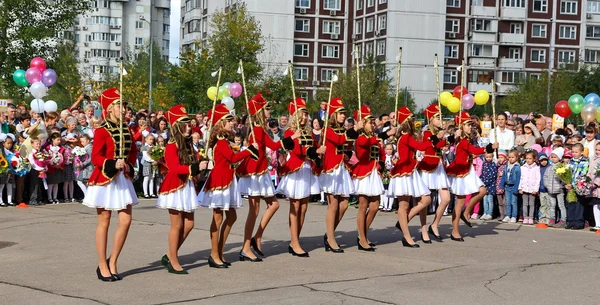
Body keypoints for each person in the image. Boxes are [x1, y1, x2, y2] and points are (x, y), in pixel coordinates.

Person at [82, 88, 139, 282]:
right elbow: (95, 156)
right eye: (119, 106)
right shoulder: (101, 130)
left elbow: (133, 152)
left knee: (126, 221)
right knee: (104, 222)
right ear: (110, 108)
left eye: (124, 106)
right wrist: (112, 163)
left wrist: (129, 164)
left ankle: (113, 260)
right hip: (105, 178)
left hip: (122, 178)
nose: (123, 110)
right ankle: (102, 263)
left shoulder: (128, 129)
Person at [237, 94, 298, 261]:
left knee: (273, 204)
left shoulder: (258, 128)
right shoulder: (256, 129)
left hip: (261, 170)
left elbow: (272, 145)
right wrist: (292, 137)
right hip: (255, 171)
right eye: (265, 109)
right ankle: (246, 247)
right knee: (254, 210)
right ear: (258, 111)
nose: (268, 111)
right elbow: (273, 145)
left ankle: (257, 237)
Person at [198, 104, 258, 268]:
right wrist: (249, 150)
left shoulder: (226, 141)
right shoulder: (221, 141)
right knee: (217, 218)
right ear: (220, 123)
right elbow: (232, 158)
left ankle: (219, 250)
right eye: (229, 120)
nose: (232, 123)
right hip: (219, 181)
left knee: (231, 217)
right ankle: (214, 254)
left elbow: (232, 160)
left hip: (228, 180)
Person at [156, 104, 208, 274]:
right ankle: (173, 259)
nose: (189, 126)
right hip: (175, 186)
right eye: (185, 123)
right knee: (177, 225)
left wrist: (201, 165)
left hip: (186, 185)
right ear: (177, 126)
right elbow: (175, 168)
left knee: (190, 224)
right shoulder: (171, 145)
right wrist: (194, 168)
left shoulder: (187, 144)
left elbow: (189, 164)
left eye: (189, 123)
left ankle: (170, 253)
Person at [276, 98, 324, 257]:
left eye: (306, 115)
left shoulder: (309, 131)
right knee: (295, 206)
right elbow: (297, 150)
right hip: (295, 170)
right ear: (295, 116)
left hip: (307, 169)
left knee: (304, 207)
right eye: (301, 115)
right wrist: (315, 152)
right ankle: (294, 241)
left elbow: (315, 148)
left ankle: (295, 239)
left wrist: (320, 150)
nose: (304, 118)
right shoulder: (290, 132)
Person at [446, 112, 496, 241]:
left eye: (471, 125)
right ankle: (455, 231)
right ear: (462, 127)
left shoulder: (467, 139)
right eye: (468, 125)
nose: (470, 127)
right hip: (461, 172)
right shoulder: (462, 140)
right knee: (459, 202)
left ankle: (466, 212)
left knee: (482, 191)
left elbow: (475, 149)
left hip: (468, 170)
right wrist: (490, 147)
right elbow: (474, 151)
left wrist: (489, 147)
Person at [388, 106, 433, 247]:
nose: (414, 123)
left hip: (410, 171)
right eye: (412, 120)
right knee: (404, 204)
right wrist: (432, 138)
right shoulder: (406, 136)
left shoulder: (406, 136)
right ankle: (407, 237)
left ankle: (403, 221)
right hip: (403, 172)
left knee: (426, 199)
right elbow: (420, 147)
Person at [320, 97, 358, 252]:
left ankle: (329, 233)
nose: (343, 116)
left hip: (342, 169)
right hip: (331, 169)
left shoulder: (344, 130)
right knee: (333, 204)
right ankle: (331, 238)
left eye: (344, 113)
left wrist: (349, 152)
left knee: (344, 203)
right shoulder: (327, 130)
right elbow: (339, 140)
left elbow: (347, 144)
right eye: (340, 113)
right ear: (333, 115)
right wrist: (354, 130)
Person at [351, 106, 391, 251]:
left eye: (374, 122)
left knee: (374, 206)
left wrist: (382, 163)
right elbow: (364, 149)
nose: (373, 125)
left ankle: (363, 233)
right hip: (364, 172)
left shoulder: (373, 138)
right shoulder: (361, 138)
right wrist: (383, 136)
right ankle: (362, 238)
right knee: (363, 206)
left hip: (374, 173)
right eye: (370, 122)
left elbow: (381, 154)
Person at [419, 104, 452, 240]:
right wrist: (441, 136)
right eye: (437, 117)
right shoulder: (427, 132)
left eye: (440, 117)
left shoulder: (440, 133)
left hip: (439, 166)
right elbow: (436, 144)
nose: (440, 120)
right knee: (425, 201)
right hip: (428, 166)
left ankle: (435, 225)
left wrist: (453, 136)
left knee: (446, 198)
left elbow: (444, 144)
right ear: (431, 119)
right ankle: (423, 229)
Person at [565, 143, 589, 230]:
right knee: (571, 204)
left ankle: (578, 222)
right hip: (570, 186)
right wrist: (567, 183)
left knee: (579, 204)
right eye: (573, 152)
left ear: (582, 152)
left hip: (579, 187)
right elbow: (566, 173)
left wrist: (575, 184)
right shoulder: (570, 161)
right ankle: (570, 221)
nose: (574, 154)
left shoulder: (585, 162)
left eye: (576, 152)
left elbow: (583, 174)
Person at [544, 148, 566, 227]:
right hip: (550, 190)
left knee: (561, 205)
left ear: (559, 158)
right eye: (552, 157)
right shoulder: (549, 168)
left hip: (559, 190)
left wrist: (561, 185)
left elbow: (564, 178)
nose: (553, 158)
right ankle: (552, 219)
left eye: (555, 157)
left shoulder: (562, 167)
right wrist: (547, 185)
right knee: (552, 205)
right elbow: (545, 177)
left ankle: (563, 220)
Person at [518, 150, 540, 225]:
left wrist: (535, 189)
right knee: (524, 204)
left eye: (530, 158)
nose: (528, 160)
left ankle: (531, 217)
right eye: (527, 158)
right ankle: (525, 217)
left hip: (532, 189)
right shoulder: (523, 167)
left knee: (531, 204)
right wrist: (520, 188)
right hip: (524, 188)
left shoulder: (536, 168)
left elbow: (538, 179)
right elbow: (520, 178)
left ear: (534, 159)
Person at [500, 150, 521, 223]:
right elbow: (503, 176)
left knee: (513, 202)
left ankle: (514, 216)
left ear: (516, 158)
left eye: (513, 157)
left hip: (514, 186)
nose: (511, 159)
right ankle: (508, 215)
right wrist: (502, 186)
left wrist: (516, 188)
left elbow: (518, 179)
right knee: (507, 202)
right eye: (509, 157)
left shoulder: (517, 167)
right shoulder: (506, 166)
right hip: (507, 186)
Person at [480, 152, 497, 220]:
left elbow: (493, 176)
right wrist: (481, 181)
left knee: (490, 200)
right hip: (484, 185)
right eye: (487, 157)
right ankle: (485, 212)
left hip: (491, 185)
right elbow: (482, 174)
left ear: (492, 157)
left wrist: (486, 182)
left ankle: (490, 213)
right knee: (485, 200)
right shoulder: (484, 164)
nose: (488, 158)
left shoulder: (493, 165)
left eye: (490, 157)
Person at [538, 152, 551, 225]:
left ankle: (548, 219)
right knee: (543, 205)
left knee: (549, 205)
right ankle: (542, 218)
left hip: (548, 190)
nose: (543, 162)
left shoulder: (550, 167)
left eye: (545, 160)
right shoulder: (538, 168)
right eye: (541, 160)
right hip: (541, 190)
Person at [495, 151, 508, 221]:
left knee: (504, 202)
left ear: (505, 158)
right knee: (500, 202)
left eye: (501, 157)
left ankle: (506, 214)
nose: (500, 159)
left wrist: (503, 175)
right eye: (499, 157)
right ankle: (501, 214)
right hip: (498, 185)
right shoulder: (497, 165)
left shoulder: (507, 165)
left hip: (504, 186)